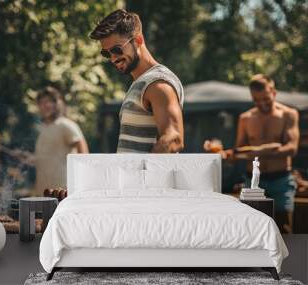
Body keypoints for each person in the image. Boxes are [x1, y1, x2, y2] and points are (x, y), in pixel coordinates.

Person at [205, 74, 300, 233]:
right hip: (254, 181)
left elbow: (292, 148)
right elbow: (239, 151)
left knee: (284, 228)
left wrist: (259, 151)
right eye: (257, 100)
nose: (262, 103)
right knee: (253, 229)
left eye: (266, 99)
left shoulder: (288, 114)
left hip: (281, 180)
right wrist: (223, 154)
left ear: (273, 93)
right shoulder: (246, 118)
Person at [90, 9, 184, 153]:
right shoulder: (141, 83)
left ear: (138, 40)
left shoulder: (158, 83)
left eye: (117, 49)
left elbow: (174, 139)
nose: (113, 58)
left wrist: (141, 173)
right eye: (106, 53)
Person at [31, 86, 88, 194]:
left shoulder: (65, 125)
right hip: (44, 191)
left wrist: (82, 182)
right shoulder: (43, 128)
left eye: (48, 101)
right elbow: (49, 157)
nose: (45, 105)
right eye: (41, 102)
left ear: (57, 104)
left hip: (62, 190)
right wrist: (30, 158)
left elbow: (84, 153)